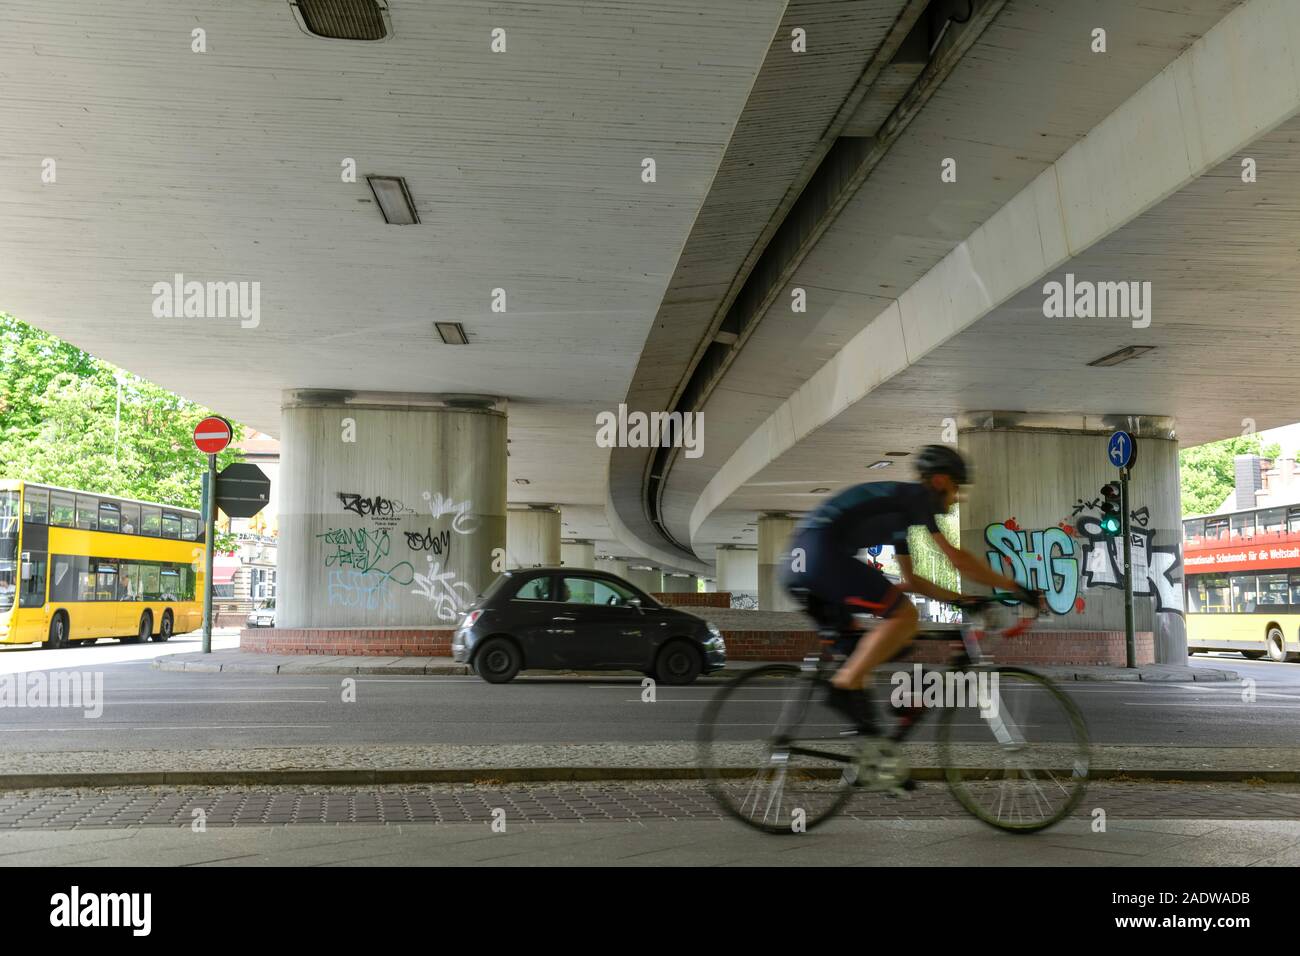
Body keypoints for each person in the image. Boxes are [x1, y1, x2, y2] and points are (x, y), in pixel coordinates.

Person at [781, 444, 1040, 733]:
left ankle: (875, 763)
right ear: (940, 481)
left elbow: (913, 580)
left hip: (797, 562)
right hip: (823, 555)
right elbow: (958, 560)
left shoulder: (897, 513)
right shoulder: (916, 498)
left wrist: (962, 599)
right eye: (957, 489)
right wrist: (1016, 587)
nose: (956, 499)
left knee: (864, 654)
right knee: (905, 617)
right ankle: (842, 687)